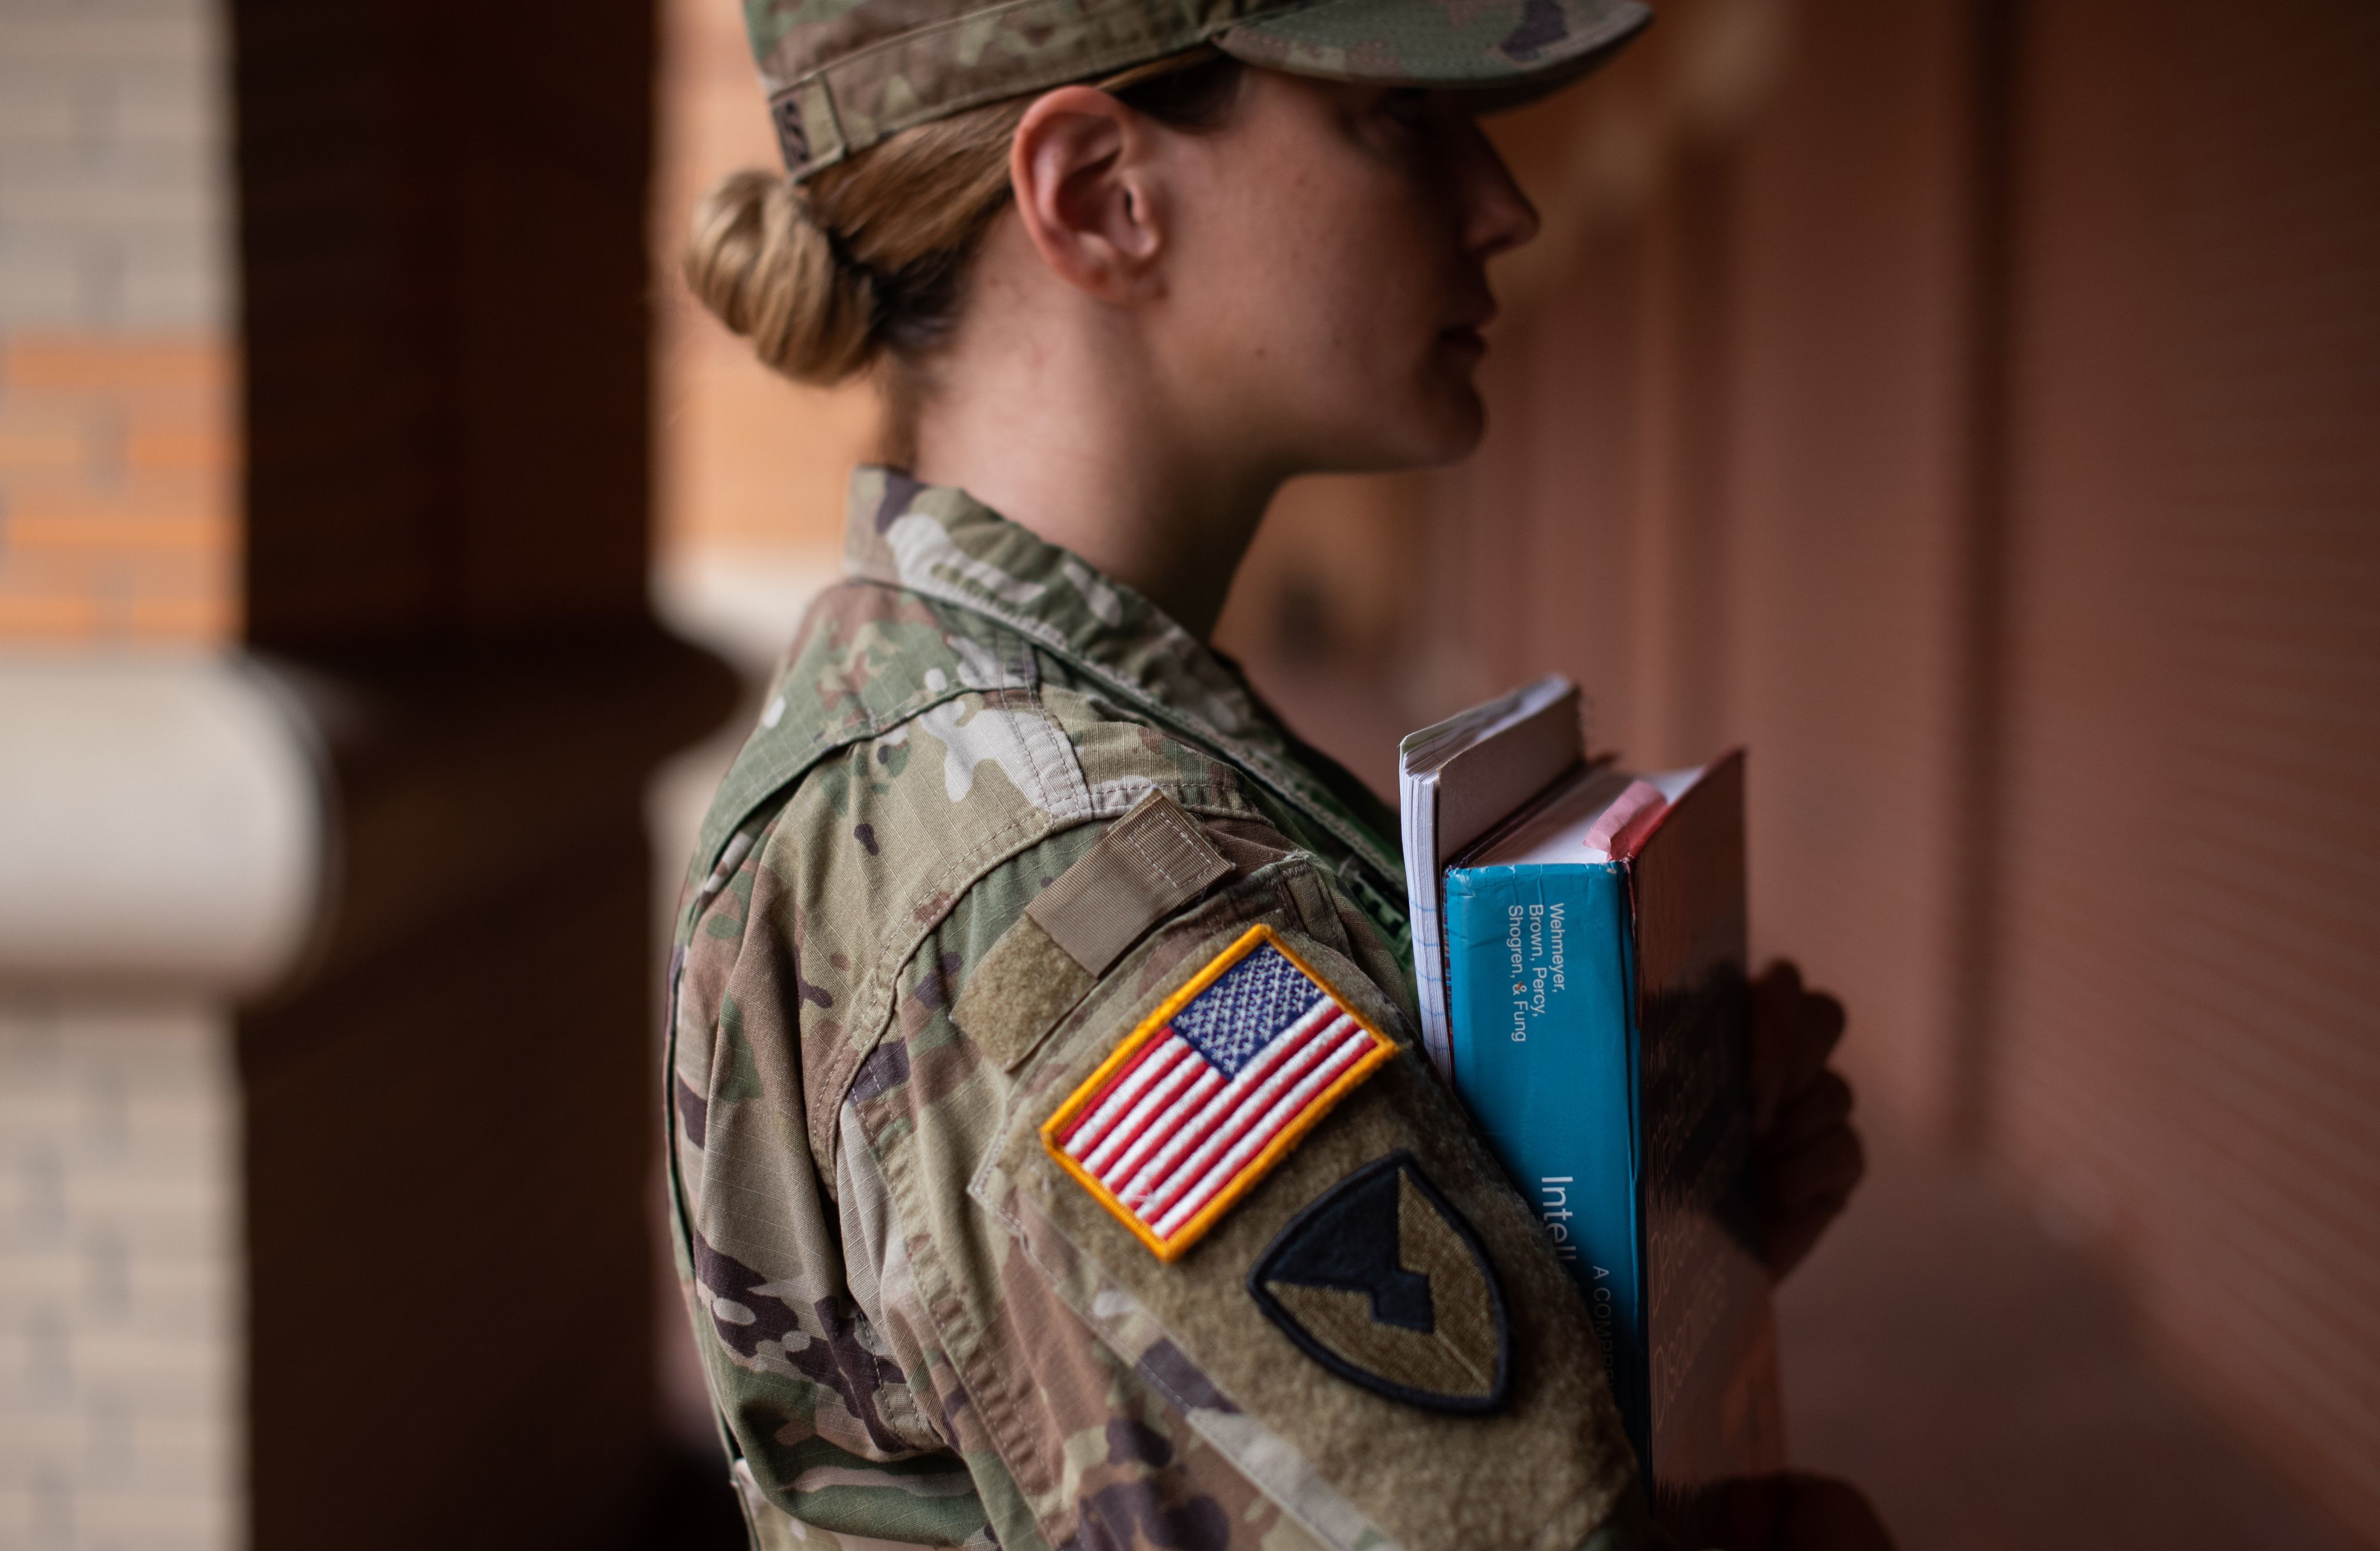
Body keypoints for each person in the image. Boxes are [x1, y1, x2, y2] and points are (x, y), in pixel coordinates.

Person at [663, 0, 1881, 1545]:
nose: (1505, 205)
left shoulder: (984, 729)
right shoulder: (1073, 885)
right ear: (1105, 197)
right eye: (1396, 119)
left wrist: (1637, 1253)